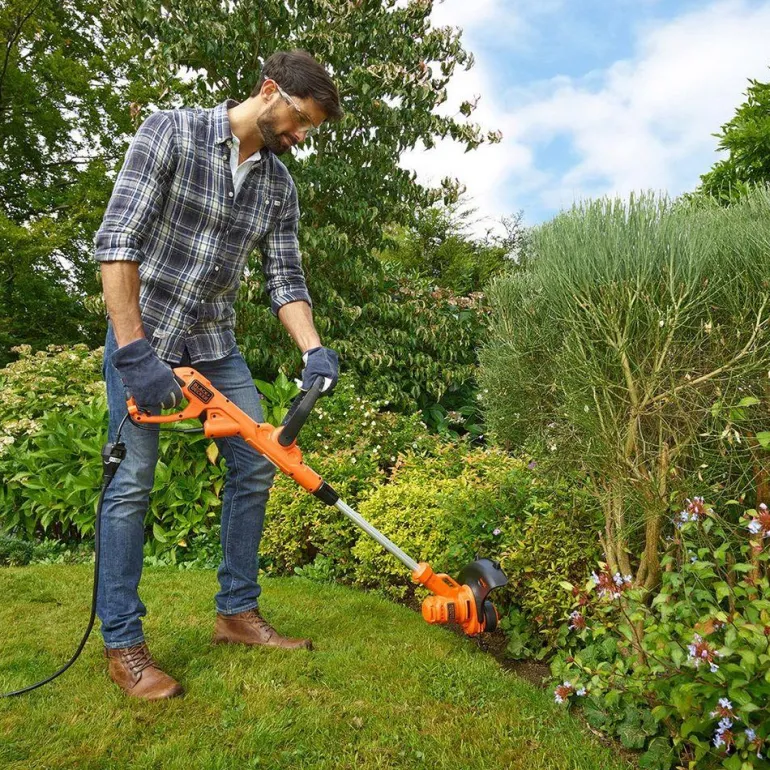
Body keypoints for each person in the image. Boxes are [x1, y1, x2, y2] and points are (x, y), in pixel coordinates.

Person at [94, 49, 342, 700]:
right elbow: (117, 241)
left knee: (258, 462)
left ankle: (236, 612)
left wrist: (313, 350)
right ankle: (123, 645)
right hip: (142, 334)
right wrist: (134, 353)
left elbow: (285, 279)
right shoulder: (170, 132)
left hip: (213, 343)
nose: (300, 136)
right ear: (270, 90)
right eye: (300, 120)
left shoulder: (278, 187)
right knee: (130, 484)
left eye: (310, 129)